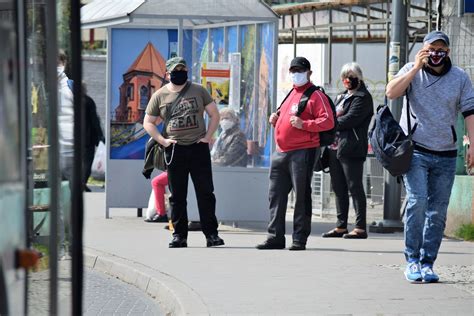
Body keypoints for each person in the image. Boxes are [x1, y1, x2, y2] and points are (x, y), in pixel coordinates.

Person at [386, 30, 474, 282]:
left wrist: (473, 146)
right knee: (418, 200)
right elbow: (392, 92)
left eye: (441, 50)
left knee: (437, 211)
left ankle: (427, 262)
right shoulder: (411, 70)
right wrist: (415, 68)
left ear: (447, 52)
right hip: (416, 149)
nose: (436, 54)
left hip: (446, 152)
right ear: (423, 50)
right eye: (431, 49)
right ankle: (412, 259)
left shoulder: (459, 77)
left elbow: (470, 111)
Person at [143, 56, 224, 248]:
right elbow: (148, 122)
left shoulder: (198, 90)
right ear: (168, 74)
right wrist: (162, 141)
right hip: (175, 150)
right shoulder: (160, 95)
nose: (180, 73)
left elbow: (214, 114)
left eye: (183, 69)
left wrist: (207, 137)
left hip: (198, 148)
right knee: (177, 195)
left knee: (205, 193)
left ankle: (211, 235)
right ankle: (179, 235)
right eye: (176, 70)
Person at [256, 57, 335, 251]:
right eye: (293, 70)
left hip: (303, 151)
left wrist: (305, 125)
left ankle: (299, 238)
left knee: (301, 195)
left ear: (309, 72)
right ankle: (275, 236)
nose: (295, 74)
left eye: (299, 70)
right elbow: (286, 116)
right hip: (281, 151)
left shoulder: (316, 95)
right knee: (276, 195)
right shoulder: (291, 92)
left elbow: (328, 121)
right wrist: (275, 118)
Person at [321, 63, 373, 239]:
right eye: (345, 76)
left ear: (360, 77)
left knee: (355, 186)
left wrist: (328, 124)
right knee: (338, 187)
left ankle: (360, 227)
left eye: (352, 76)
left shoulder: (363, 97)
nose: (348, 80)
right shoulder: (341, 97)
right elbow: (332, 116)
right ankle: (341, 225)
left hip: (352, 148)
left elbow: (350, 120)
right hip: (335, 148)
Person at [57, 51, 74, 259]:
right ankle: (62, 245)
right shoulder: (41, 88)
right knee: (61, 204)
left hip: (70, 152)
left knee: (67, 203)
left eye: (58, 62)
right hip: (53, 151)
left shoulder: (71, 87)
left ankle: (67, 244)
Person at [82, 82, 104, 192]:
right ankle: (82, 182)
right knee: (87, 161)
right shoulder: (88, 101)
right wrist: (100, 135)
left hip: (72, 138)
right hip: (87, 138)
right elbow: (95, 120)